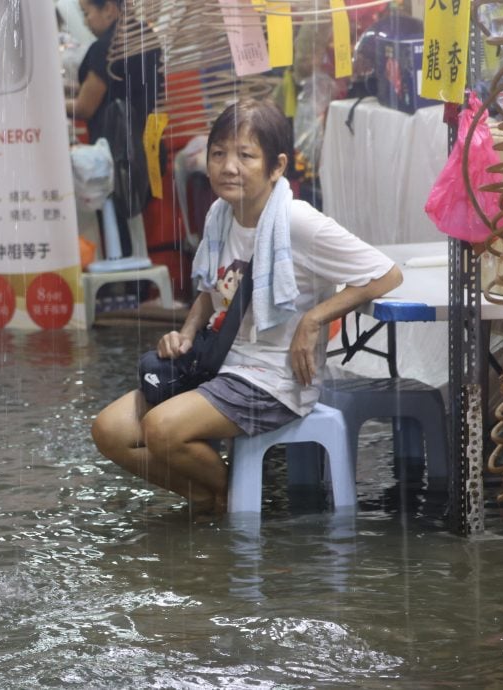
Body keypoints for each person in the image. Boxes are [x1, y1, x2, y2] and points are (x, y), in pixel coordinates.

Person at [91, 98, 403, 515]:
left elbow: (386, 274)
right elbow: (210, 289)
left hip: (274, 379)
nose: (228, 166)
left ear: (276, 167)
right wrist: (184, 335)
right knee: (109, 431)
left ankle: (230, 495)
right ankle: (211, 497)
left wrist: (313, 319)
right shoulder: (222, 214)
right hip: (218, 363)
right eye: (218, 153)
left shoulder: (297, 222)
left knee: (161, 430)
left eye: (245, 155)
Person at [68, 0, 161, 254]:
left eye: (87, 14)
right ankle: (138, 287)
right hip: (148, 148)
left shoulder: (106, 47)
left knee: (117, 224)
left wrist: (47, 104)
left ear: (109, 9)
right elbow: (111, 86)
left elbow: (85, 106)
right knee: (136, 224)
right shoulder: (145, 38)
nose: (86, 21)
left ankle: (121, 286)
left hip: (116, 154)